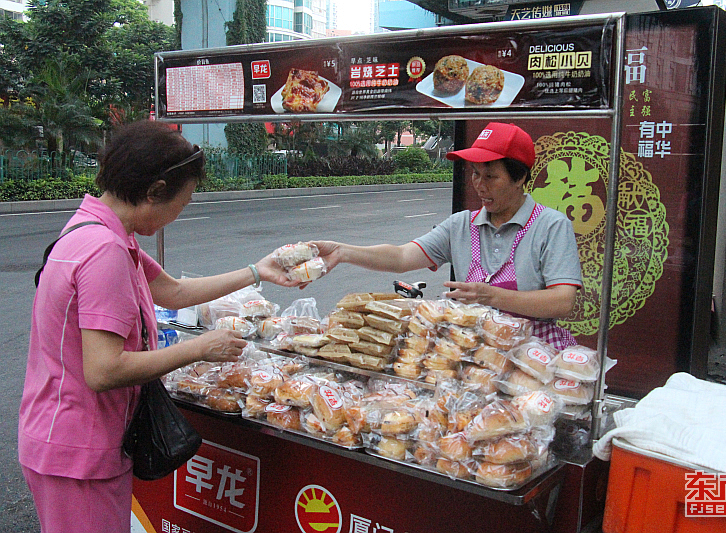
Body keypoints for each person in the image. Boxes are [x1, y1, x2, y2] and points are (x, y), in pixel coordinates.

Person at [18, 120, 297, 533]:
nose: (178, 214)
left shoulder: (95, 230)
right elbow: (103, 370)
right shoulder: (104, 252)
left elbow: (175, 292)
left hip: (64, 436)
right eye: (182, 203)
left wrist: (258, 271)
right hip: (77, 449)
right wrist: (200, 349)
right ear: (155, 191)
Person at [314, 122, 582, 349]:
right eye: (475, 174)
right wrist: (343, 252)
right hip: (473, 353)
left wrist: (489, 296)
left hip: (533, 355)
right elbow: (401, 256)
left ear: (520, 177)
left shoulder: (550, 226)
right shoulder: (461, 225)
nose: (480, 185)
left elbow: (562, 301)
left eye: (491, 176)